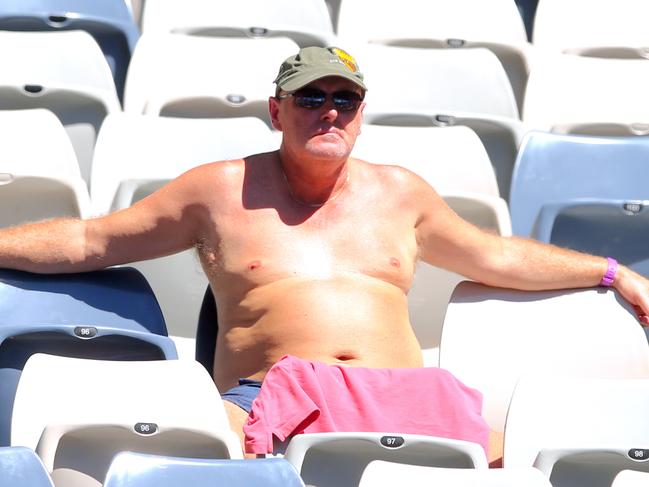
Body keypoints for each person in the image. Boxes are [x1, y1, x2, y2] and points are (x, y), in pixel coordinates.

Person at [1, 46, 649, 462]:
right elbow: (92, 241)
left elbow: (497, 257)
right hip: (266, 398)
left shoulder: (400, 193)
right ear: (276, 109)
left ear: (362, 112)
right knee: (172, 462)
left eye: (345, 99)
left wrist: (612, 271)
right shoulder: (219, 191)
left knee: (548, 461)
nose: (329, 112)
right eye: (312, 98)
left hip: (406, 396)